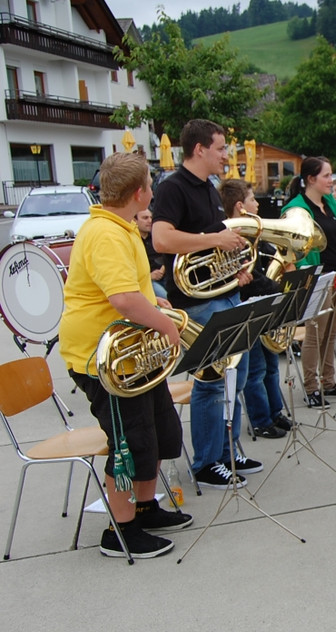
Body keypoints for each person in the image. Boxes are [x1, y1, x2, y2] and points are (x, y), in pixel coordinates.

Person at [59, 152, 192, 559]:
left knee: (159, 432)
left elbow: (132, 291)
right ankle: (121, 531)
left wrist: (156, 304)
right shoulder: (106, 233)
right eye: (150, 185)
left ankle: (145, 508)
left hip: (131, 356)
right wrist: (166, 325)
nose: (153, 191)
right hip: (103, 360)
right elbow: (122, 299)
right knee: (130, 444)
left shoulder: (121, 226)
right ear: (139, 193)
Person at [152, 119, 261, 489]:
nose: (226, 155)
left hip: (223, 293)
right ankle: (207, 462)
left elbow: (215, 244)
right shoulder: (173, 188)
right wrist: (215, 240)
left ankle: (228, 451)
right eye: (220, 148)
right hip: (196, 302)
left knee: (236, 376)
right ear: (199, 149)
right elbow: (162, 239)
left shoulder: (210, 189)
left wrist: (234, 270)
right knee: (212, 382)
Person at [219, 179, 293, 438]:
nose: (257, 204)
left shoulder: (254, 232)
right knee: (256, 369)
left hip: (263, 303)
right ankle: (261, 420)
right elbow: (250, 277)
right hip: (248, 305)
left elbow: (272, 254)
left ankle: (274, 411)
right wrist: (278, 289)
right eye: (252, 199)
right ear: (240, 206)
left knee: (271, 365)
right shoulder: (231, 237)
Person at [282, 156, 336, 407]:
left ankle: (329, 381)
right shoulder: (296, 208)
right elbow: (291, 248)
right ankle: (311, 387)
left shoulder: (330, 202)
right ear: (311, 179)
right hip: (317, 278)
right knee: (315, 333)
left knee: (332, 332)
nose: (331, 180)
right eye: (326, 175)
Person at [135, 208, 167, 299]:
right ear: (135, 220)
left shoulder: (156, 236)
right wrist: (150, 276)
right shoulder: (132, 240)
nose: (150, 221)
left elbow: (169, 252)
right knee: (165, 297)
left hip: (166, 274)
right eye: (145, 218)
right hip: (148, 280)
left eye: (151, 217)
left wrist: (164, 267)